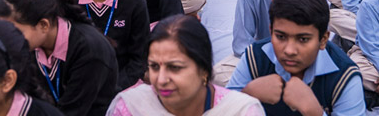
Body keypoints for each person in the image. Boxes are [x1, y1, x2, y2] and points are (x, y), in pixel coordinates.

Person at [228, 0, 366, 115]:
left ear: (323, 39)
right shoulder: (255, 57)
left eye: (303, 39)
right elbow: (223, 110)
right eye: (281, 36)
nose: (289, 50)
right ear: (271, 31)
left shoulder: (345, 77)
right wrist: (247, 94)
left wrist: (315, 113)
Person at [0, 0, 119, 116]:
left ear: (43, 25)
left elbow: (72, 111)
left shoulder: (90, 50)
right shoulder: (30, 44)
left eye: (15, 30)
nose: (9, 37)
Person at [108, 14, 263, 115]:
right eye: (154, 66)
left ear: (204, 70)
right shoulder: (132, 107)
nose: (161, 80)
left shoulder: (239, 111)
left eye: (174, 67)